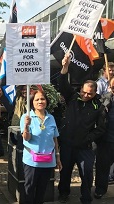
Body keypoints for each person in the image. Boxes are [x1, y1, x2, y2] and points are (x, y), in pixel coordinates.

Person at [57, 55, 106, 203]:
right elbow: (62, 84)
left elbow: (101, 129)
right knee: (65, 172)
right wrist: (65, 67)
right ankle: (63, 193)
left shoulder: (99, 107)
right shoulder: (72, 97)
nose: (85, 95)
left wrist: (88, 138)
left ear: (95, 93)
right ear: (81, 89)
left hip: (85, 148)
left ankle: (85, 197)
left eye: (89, 94)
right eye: (83, 92)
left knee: (87, 174)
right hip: (67, 144)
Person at [20, 90, 62, 204]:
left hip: (48, 160)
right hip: (32, 161)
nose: (40, 101)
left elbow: (55, 138)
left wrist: (57, 157)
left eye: (42, 99)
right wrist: (26, 126)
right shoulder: (26, 117)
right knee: (29, 188)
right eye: (37, 99)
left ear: (46, 101)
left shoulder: (51, 118)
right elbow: (26, 138)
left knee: (42, 189)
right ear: (32, 102)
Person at [94, 76, 114, 199]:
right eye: (113, 86)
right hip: (106, 139)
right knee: (102, 166)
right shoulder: (104, 98)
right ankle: (100, 189)